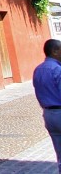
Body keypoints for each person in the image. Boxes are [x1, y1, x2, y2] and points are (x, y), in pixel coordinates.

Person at [33, 38, 61, 172]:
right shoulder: (57, 70)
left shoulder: (38, 69)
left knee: (59, 152)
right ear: (55, 51)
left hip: (48, 113)